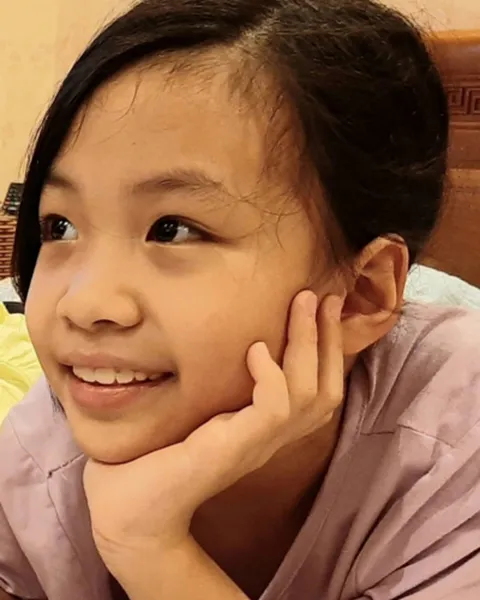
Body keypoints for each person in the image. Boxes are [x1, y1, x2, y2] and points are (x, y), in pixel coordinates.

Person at [1, 0, 479, 598]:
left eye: (173, 229)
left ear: (358, 295)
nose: (83, 303)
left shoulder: (454, 443)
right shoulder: (37, 460)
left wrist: (145, 542)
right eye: (60, 227)